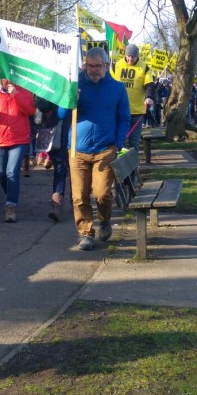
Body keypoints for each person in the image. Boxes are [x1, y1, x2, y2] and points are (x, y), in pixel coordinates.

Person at [69, 47, 130, 251]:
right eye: (90, 66)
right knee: (79, 195)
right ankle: (85, 233)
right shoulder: (75, 85)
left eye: (98, 66)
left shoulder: (117, 89)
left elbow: (124, 118)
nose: (94, 70)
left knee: (102, 193)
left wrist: (118, 143)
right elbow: (61, 115)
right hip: (77, 150)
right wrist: (71, 100)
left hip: (105, 149)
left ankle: (105, 220)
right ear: (85, 65)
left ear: (106, 65)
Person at [0, 78, 35, 223]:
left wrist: (16, 94)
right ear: (0, 79)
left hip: (19, 139)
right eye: (5, 78)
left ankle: (11, 205)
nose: (9, 80)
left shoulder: (23, 90)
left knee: (12, 172)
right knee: (1, 174)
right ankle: (12, 194)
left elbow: (30, 110)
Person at [34, 96, 70, 222]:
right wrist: (40, 97)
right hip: (56, 131)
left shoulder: (81, 85)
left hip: (77, 131)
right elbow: (44, 107)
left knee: (75, 169)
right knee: (60, 167)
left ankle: (77, 200)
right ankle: (57, 203)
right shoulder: (53, 86)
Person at [111, 43, 153, 150]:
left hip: (136, 111)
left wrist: (149, 97)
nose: (130, 59)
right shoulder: (116, 66)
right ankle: (120, 160)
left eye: (133, 57)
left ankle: (133, 160)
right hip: (119, 110)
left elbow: (149, 84)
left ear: (137, 56)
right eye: (128, 56)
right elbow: (109, 83)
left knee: (134, 142)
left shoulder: (144, 67)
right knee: (120, 141)